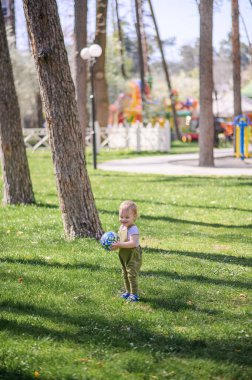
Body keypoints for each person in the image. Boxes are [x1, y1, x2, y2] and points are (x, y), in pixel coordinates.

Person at [111, 200, 142, 302]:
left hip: (133, 255)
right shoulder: (122, 227)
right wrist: (115, 245)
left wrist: (120, 244)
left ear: (134, 216)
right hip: (123, 254)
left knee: (131, 274)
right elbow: (120, 240)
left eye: (127, 217)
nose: (123, 219)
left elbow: (133, 243)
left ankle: (134, 294)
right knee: (124, 273)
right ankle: (128, 291)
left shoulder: (133, 229)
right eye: (121, 217)